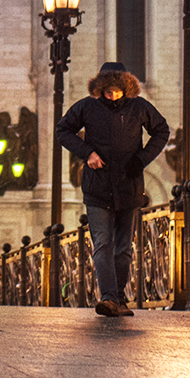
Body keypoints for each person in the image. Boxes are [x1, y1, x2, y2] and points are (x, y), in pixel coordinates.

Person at [54, 61, 170, 317]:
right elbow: (63, 130)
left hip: (129, 187)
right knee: (103, 244)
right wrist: (88, 153)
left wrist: (142, 159)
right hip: (98, 187)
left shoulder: (139, 107)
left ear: (125, 88)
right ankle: (108, 298)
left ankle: (118, 298)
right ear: (100, 87)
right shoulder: (87, 107)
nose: (112, 93)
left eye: (117, 89)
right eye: (107, 88)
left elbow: (162, 130)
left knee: (124, 248)